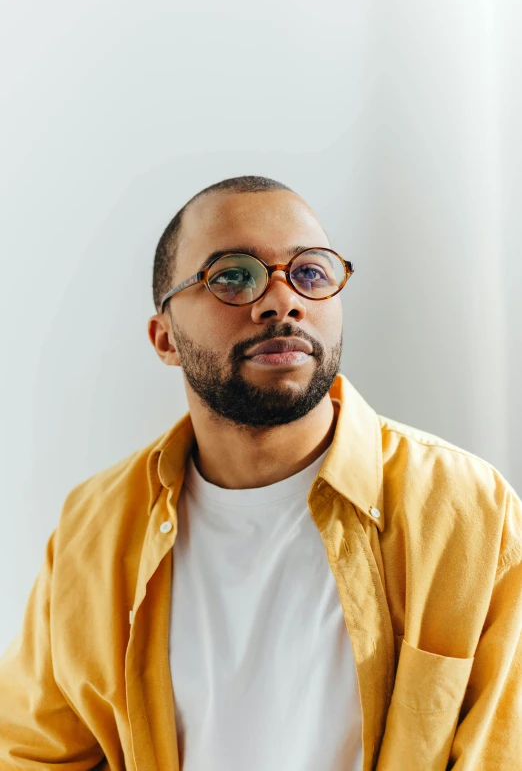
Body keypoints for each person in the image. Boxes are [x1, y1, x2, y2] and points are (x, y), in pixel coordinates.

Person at [0, 175, 520, 771]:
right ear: (165, 338)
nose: (282, 300)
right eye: (232, 276)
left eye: (312, 272)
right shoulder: (93, 528)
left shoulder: (468, 511)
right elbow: (29, 753)